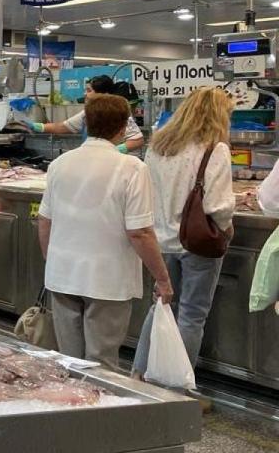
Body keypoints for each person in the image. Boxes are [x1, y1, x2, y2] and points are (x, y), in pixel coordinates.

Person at [37, 94, 173, 371]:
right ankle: (99, 413)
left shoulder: (59, 165)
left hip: (63, 276)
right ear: (123, 127)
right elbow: (140, 232)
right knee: (101, 364)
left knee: (70, 361)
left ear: (86, 123)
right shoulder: (132, 168)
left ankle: (71, 410)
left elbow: (45, 221)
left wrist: (53, 263)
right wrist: (162, 279)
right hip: (107, 280)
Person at [132, 88, 235, 381]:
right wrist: (227, 228)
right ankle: (178, 386)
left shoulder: (160, 145)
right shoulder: (214, 148)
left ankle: (139, 373)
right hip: (198, 244)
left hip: (162, 241)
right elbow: (218, 206)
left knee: (161, 306)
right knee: (191, 315)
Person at [24, 75, 145, 153]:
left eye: (89, 90)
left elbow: (137, 140)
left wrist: (116, 150)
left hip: (116, 163)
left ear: (104, 93)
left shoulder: (119, 114)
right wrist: (35, 126)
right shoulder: (86, 113)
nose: (85, 94)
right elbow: (62, 127)